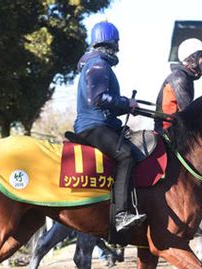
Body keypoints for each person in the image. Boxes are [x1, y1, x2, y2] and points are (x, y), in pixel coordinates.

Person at [73, 21, 146, 232]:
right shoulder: (99, 64)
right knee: (126, 155)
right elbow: (99, 98)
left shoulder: (96, 63)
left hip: (100, 124)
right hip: (93, 127)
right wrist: (126, 102)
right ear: (111, 43)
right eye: (117, 42)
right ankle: (121, 215)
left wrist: (126, 107)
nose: (119, 47)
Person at [155, 38, 202, 132]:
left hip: (175, 130)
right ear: (192, 58)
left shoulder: (185, 76)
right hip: (169, 133)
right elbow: (188, 112)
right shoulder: (179, 78)